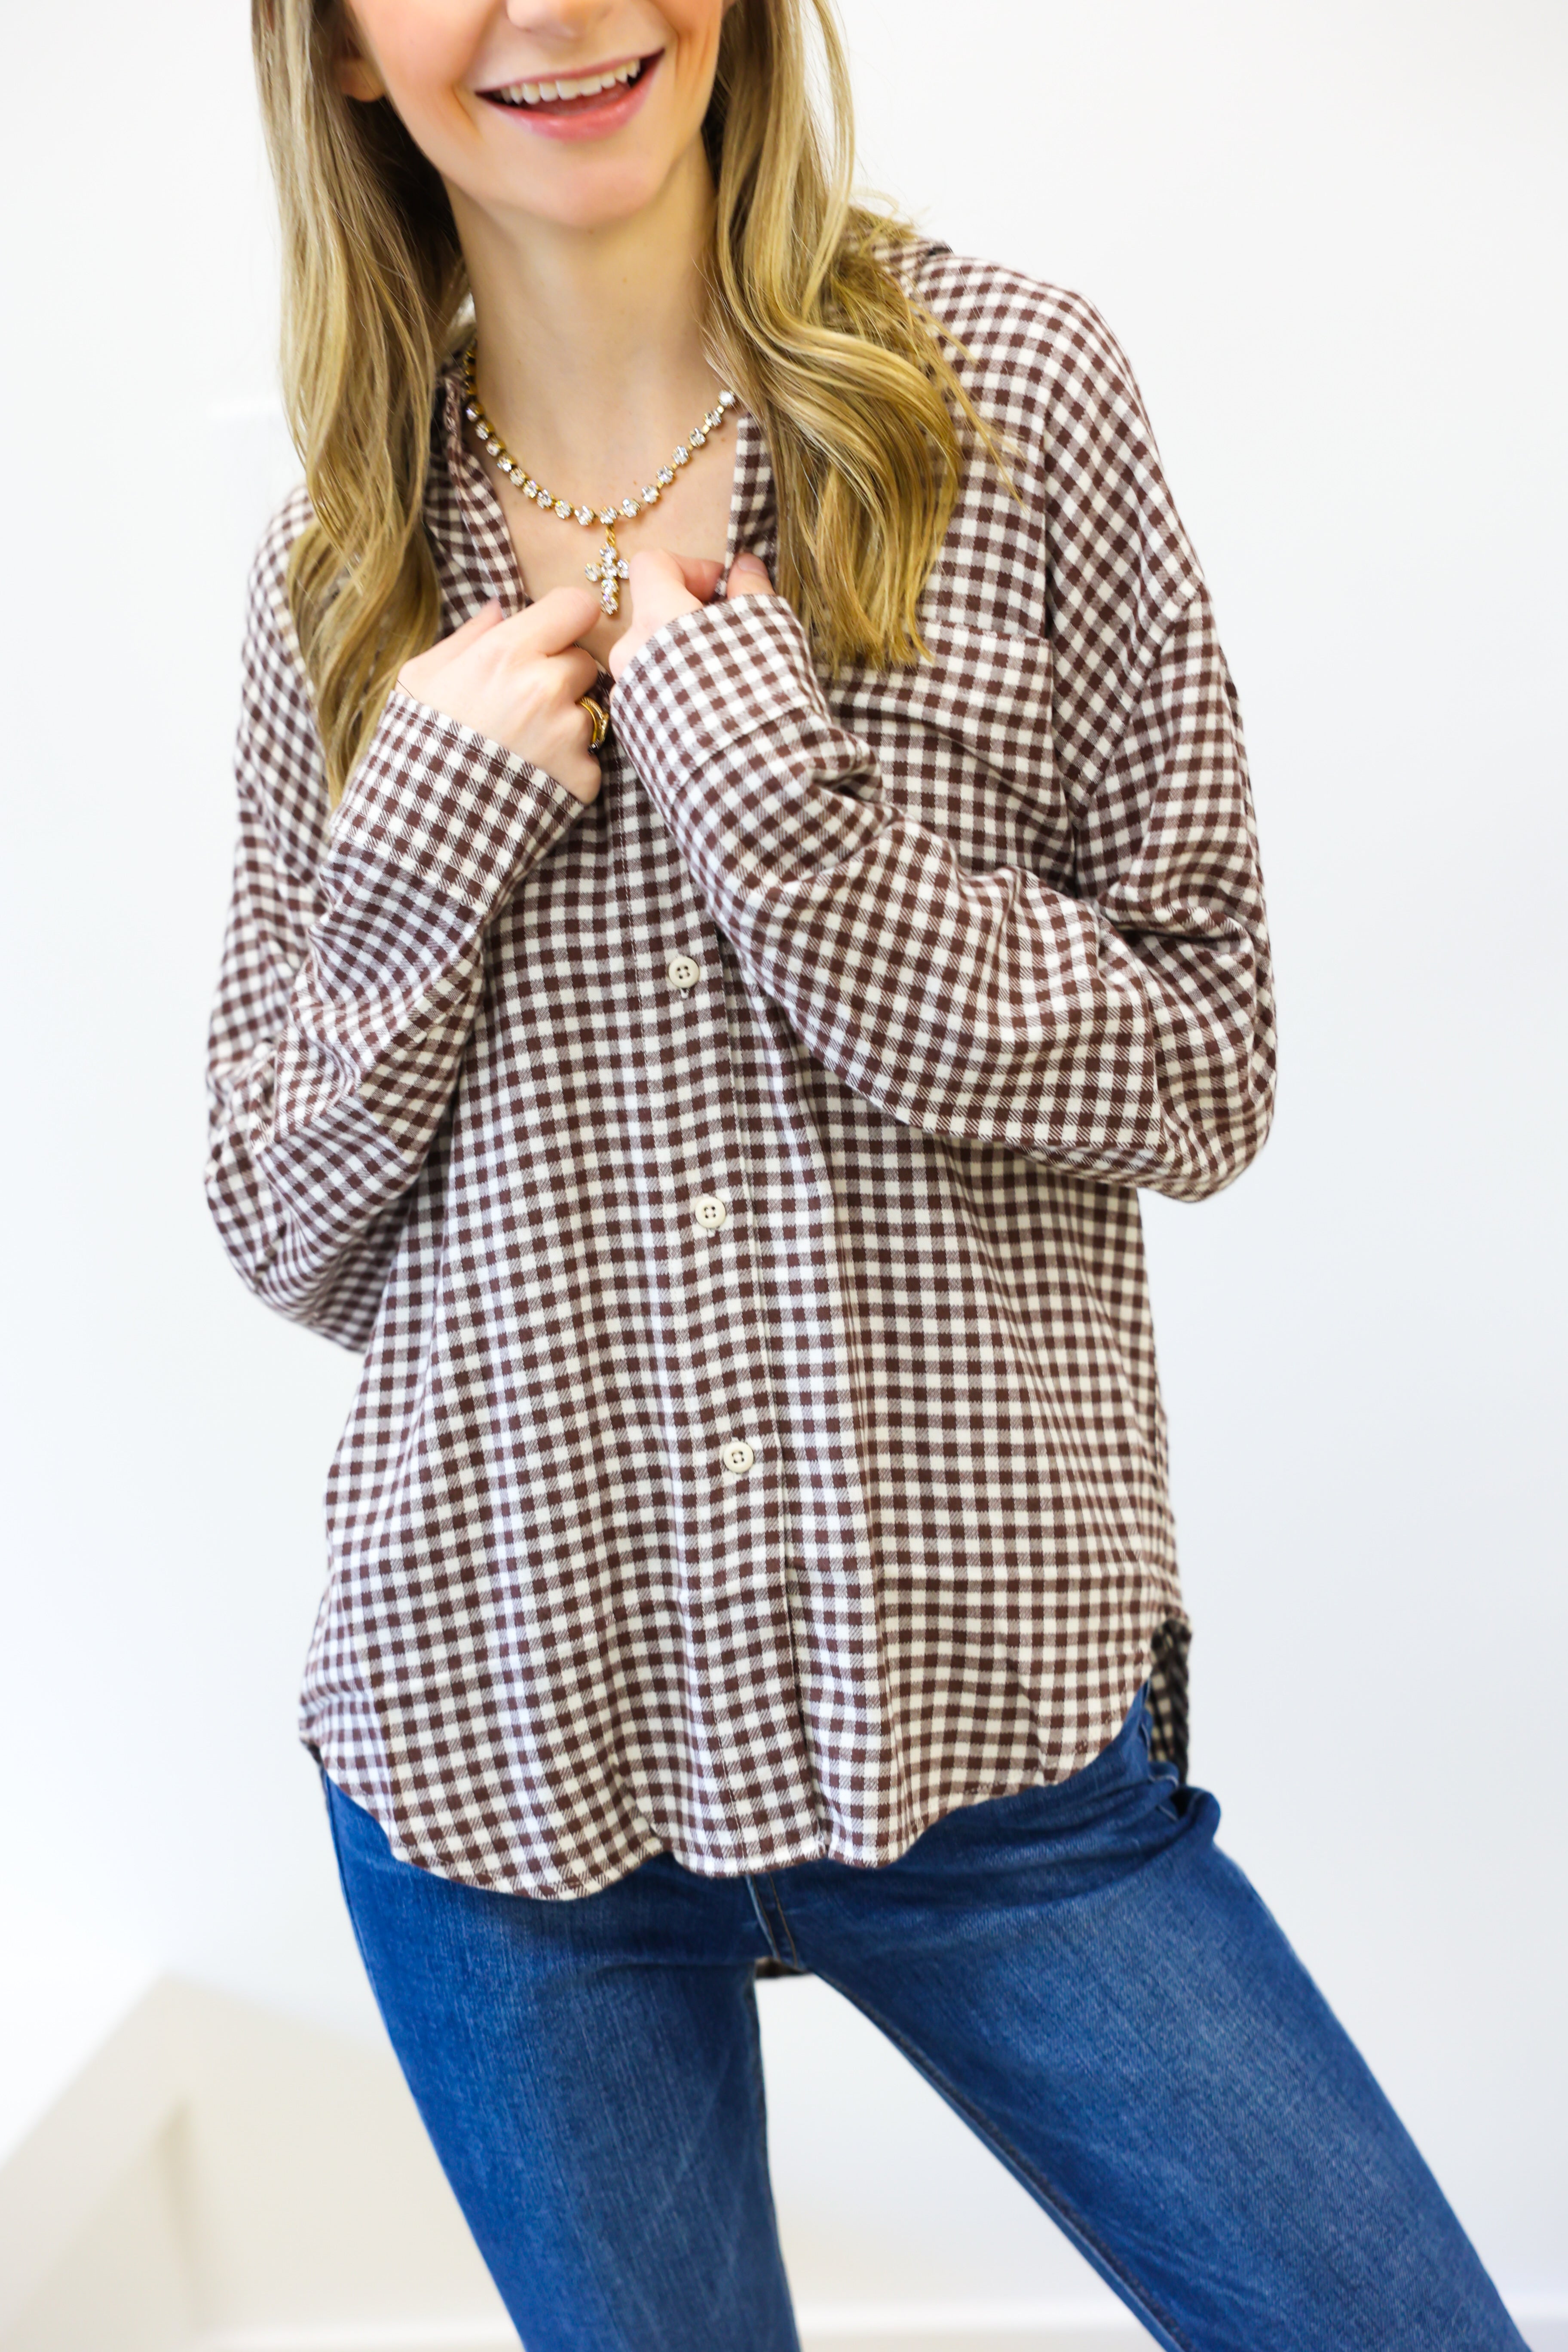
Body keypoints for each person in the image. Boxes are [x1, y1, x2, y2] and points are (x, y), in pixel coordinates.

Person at [207, 1, 1524, 2345]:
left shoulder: (1011, 400)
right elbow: (279, 1222)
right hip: (501, 1749)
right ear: (332, 52)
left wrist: (801, 851)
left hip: (995, 1742)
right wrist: (418, 858)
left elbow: (1210, 1063)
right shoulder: (336, 558)